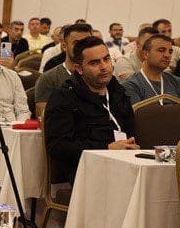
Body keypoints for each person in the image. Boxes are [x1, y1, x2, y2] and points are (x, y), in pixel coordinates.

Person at [44, 37, 137, 184]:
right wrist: (106, 149)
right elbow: (58, 147)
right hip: (86, 173)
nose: (104, 67)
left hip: (124, 165)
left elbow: (132, 132)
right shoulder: (64, 97)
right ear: (79, 68)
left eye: (106, 59)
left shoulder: (119, 92)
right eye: (94, 63)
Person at [34, 23, 94, 119]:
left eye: (86, 43)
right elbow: (45, 119)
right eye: (76, 43)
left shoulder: (98, 75)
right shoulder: (48, 79)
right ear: (64, 46)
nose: (81, 47)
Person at [123, 34, 180, 105]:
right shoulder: (131, 85)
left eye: (170, 52)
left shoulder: (177, 81)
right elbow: (137, 112)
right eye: (161, 50)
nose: (167, 55)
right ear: (146, 54)